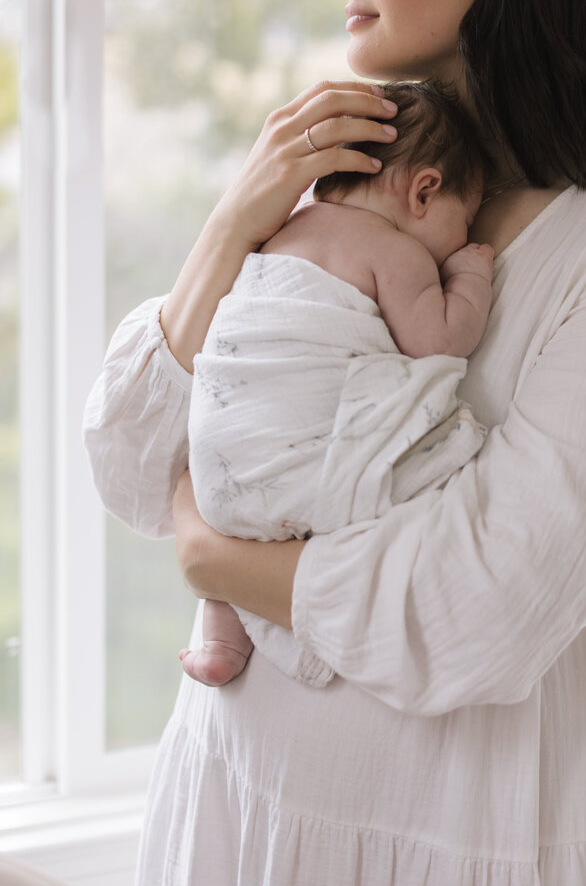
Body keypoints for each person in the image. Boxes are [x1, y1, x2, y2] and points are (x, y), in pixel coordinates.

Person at [83, 0, 586, 885]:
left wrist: (216, 560)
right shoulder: (335, 172)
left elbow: (482, 611)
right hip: (243, 792)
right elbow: (131, 466)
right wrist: (231, 222)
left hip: (470, 820)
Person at [180, 80, 494, 689]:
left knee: (248, 523)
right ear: (425, 190)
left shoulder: (284, 230)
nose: (465, 235)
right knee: (437, 450)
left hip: (217, 468)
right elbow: (439, 341)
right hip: (302, 468)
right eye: (467, 218)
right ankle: (245, 630)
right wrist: (470, 279)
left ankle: (220, 633)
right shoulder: (395, 251)